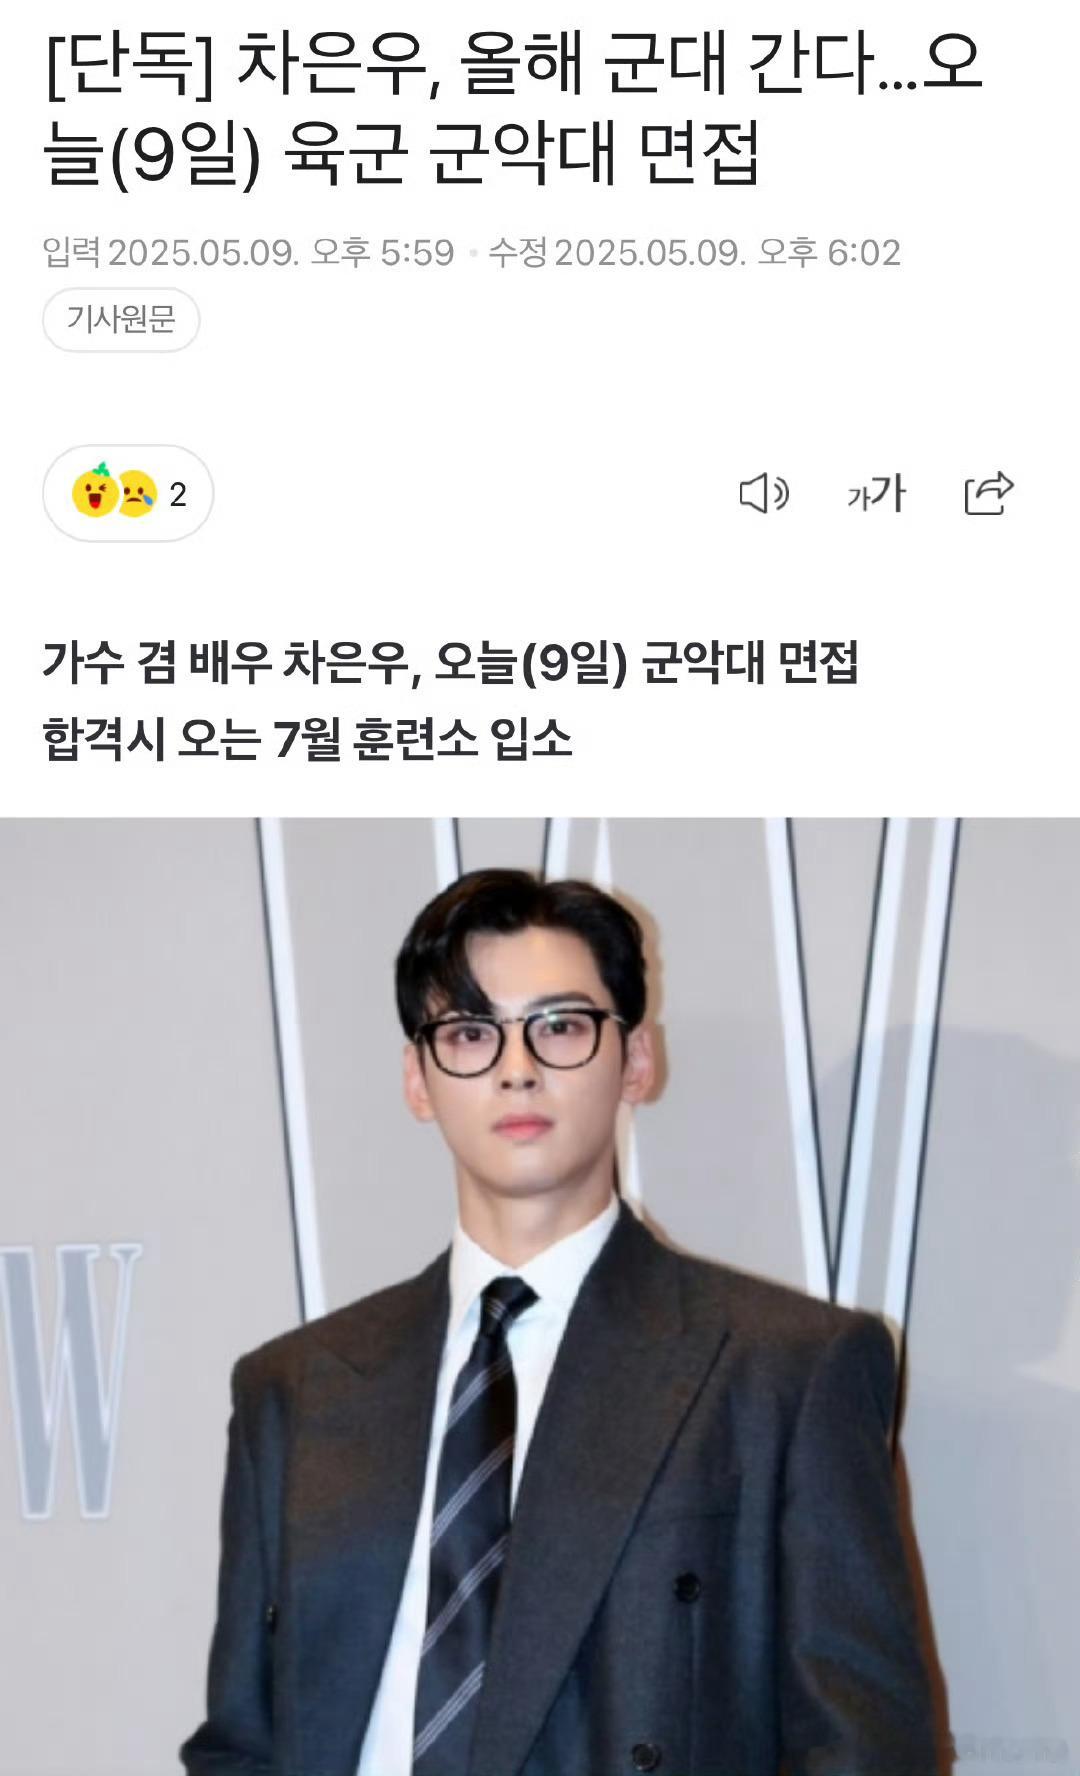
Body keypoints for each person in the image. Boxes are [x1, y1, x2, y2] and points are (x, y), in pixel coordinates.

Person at [180, 868, 937, 1776]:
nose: (517, 1068)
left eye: (561, 1026)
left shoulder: (786, 1370)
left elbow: (865, 1749)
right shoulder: (294, 1389)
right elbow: (242, 1740)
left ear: (637, 1059)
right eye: (469, 1033)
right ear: (418, 1079)